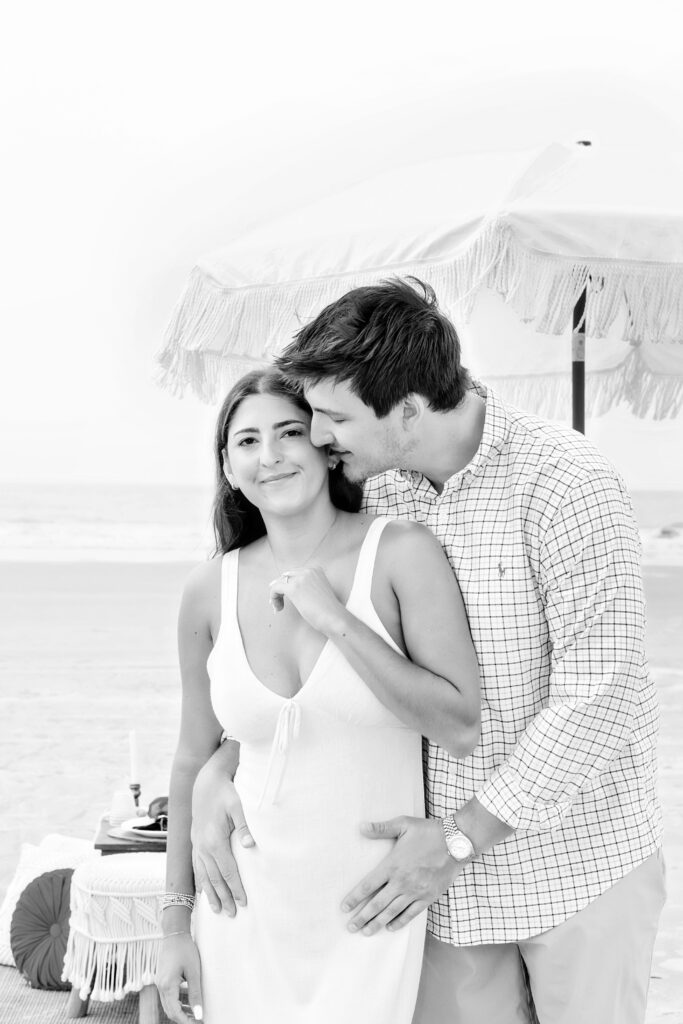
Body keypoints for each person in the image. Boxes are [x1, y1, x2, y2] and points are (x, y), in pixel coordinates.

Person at [190, 280, 665, 1024]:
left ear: (408, 409)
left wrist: (461, 837)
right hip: (432, 891)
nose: (315, 437)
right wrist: (219, 767)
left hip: (573, 864)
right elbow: (306, 682)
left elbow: (596, 700)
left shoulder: (568, 483)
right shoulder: (377, 492)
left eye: (333, 417)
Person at [156, 367, 481, 1024]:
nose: (269, 456)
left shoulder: (400, 553)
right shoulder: (206, 590)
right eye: (246, 441)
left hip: (369, 911)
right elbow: (194, 756)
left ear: (325, 444)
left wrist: (336, 620)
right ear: (226, 463)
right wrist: (172, 925)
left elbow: (458, 722)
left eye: (289, 433)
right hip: (239, 911)